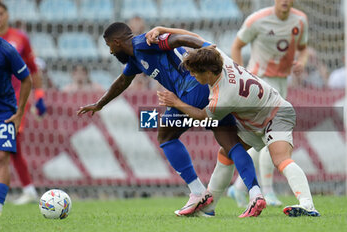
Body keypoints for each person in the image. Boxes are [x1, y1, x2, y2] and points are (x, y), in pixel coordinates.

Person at [77, 22, 266, 217]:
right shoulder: (135, 58)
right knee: (230, 143)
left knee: (166, 136)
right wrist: (100, 103)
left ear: (116, 42)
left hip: (191, 88)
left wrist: (204, 46)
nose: (110, 52)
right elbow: (123, 81)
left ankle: (198, 191)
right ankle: (255, 194)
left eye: (109, 46)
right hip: (208, 90)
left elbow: (177, 39)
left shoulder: (144, 42)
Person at [157, 46, 320, 217]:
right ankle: (208, 208)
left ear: (209, 72)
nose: (192, 75)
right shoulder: (220, 57)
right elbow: (193, 37)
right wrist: (162, 31)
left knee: (280, 158)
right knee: (226, 153)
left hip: (276, 113)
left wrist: (176, 102)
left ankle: (307, 204)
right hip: (254, 120)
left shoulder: (222, 98)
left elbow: (202, 116)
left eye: (196, 72)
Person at [227, 0, 309, 207]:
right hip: (261, 83)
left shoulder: (300, 20)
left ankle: (237, 188)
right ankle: (268, 192)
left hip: (282, 82)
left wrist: (302, 63)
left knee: (261, 140)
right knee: (271, 136)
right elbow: (236, 45)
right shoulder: (258, 20)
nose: (284, 1)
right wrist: (241, 76)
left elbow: (303, 49)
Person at [0, 2, 47, 205]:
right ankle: (28, 189)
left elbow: (33, 69)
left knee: (8, 146)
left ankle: (27, 189)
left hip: (16, 101)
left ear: (7, 15)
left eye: (1, 13)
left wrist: (41, 95)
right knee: (9, 147)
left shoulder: (19, 39)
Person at [0, 35, 32, 216]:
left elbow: (27, 79)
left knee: (2, 156)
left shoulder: (7, 50)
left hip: (4, 113)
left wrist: (19, 113)